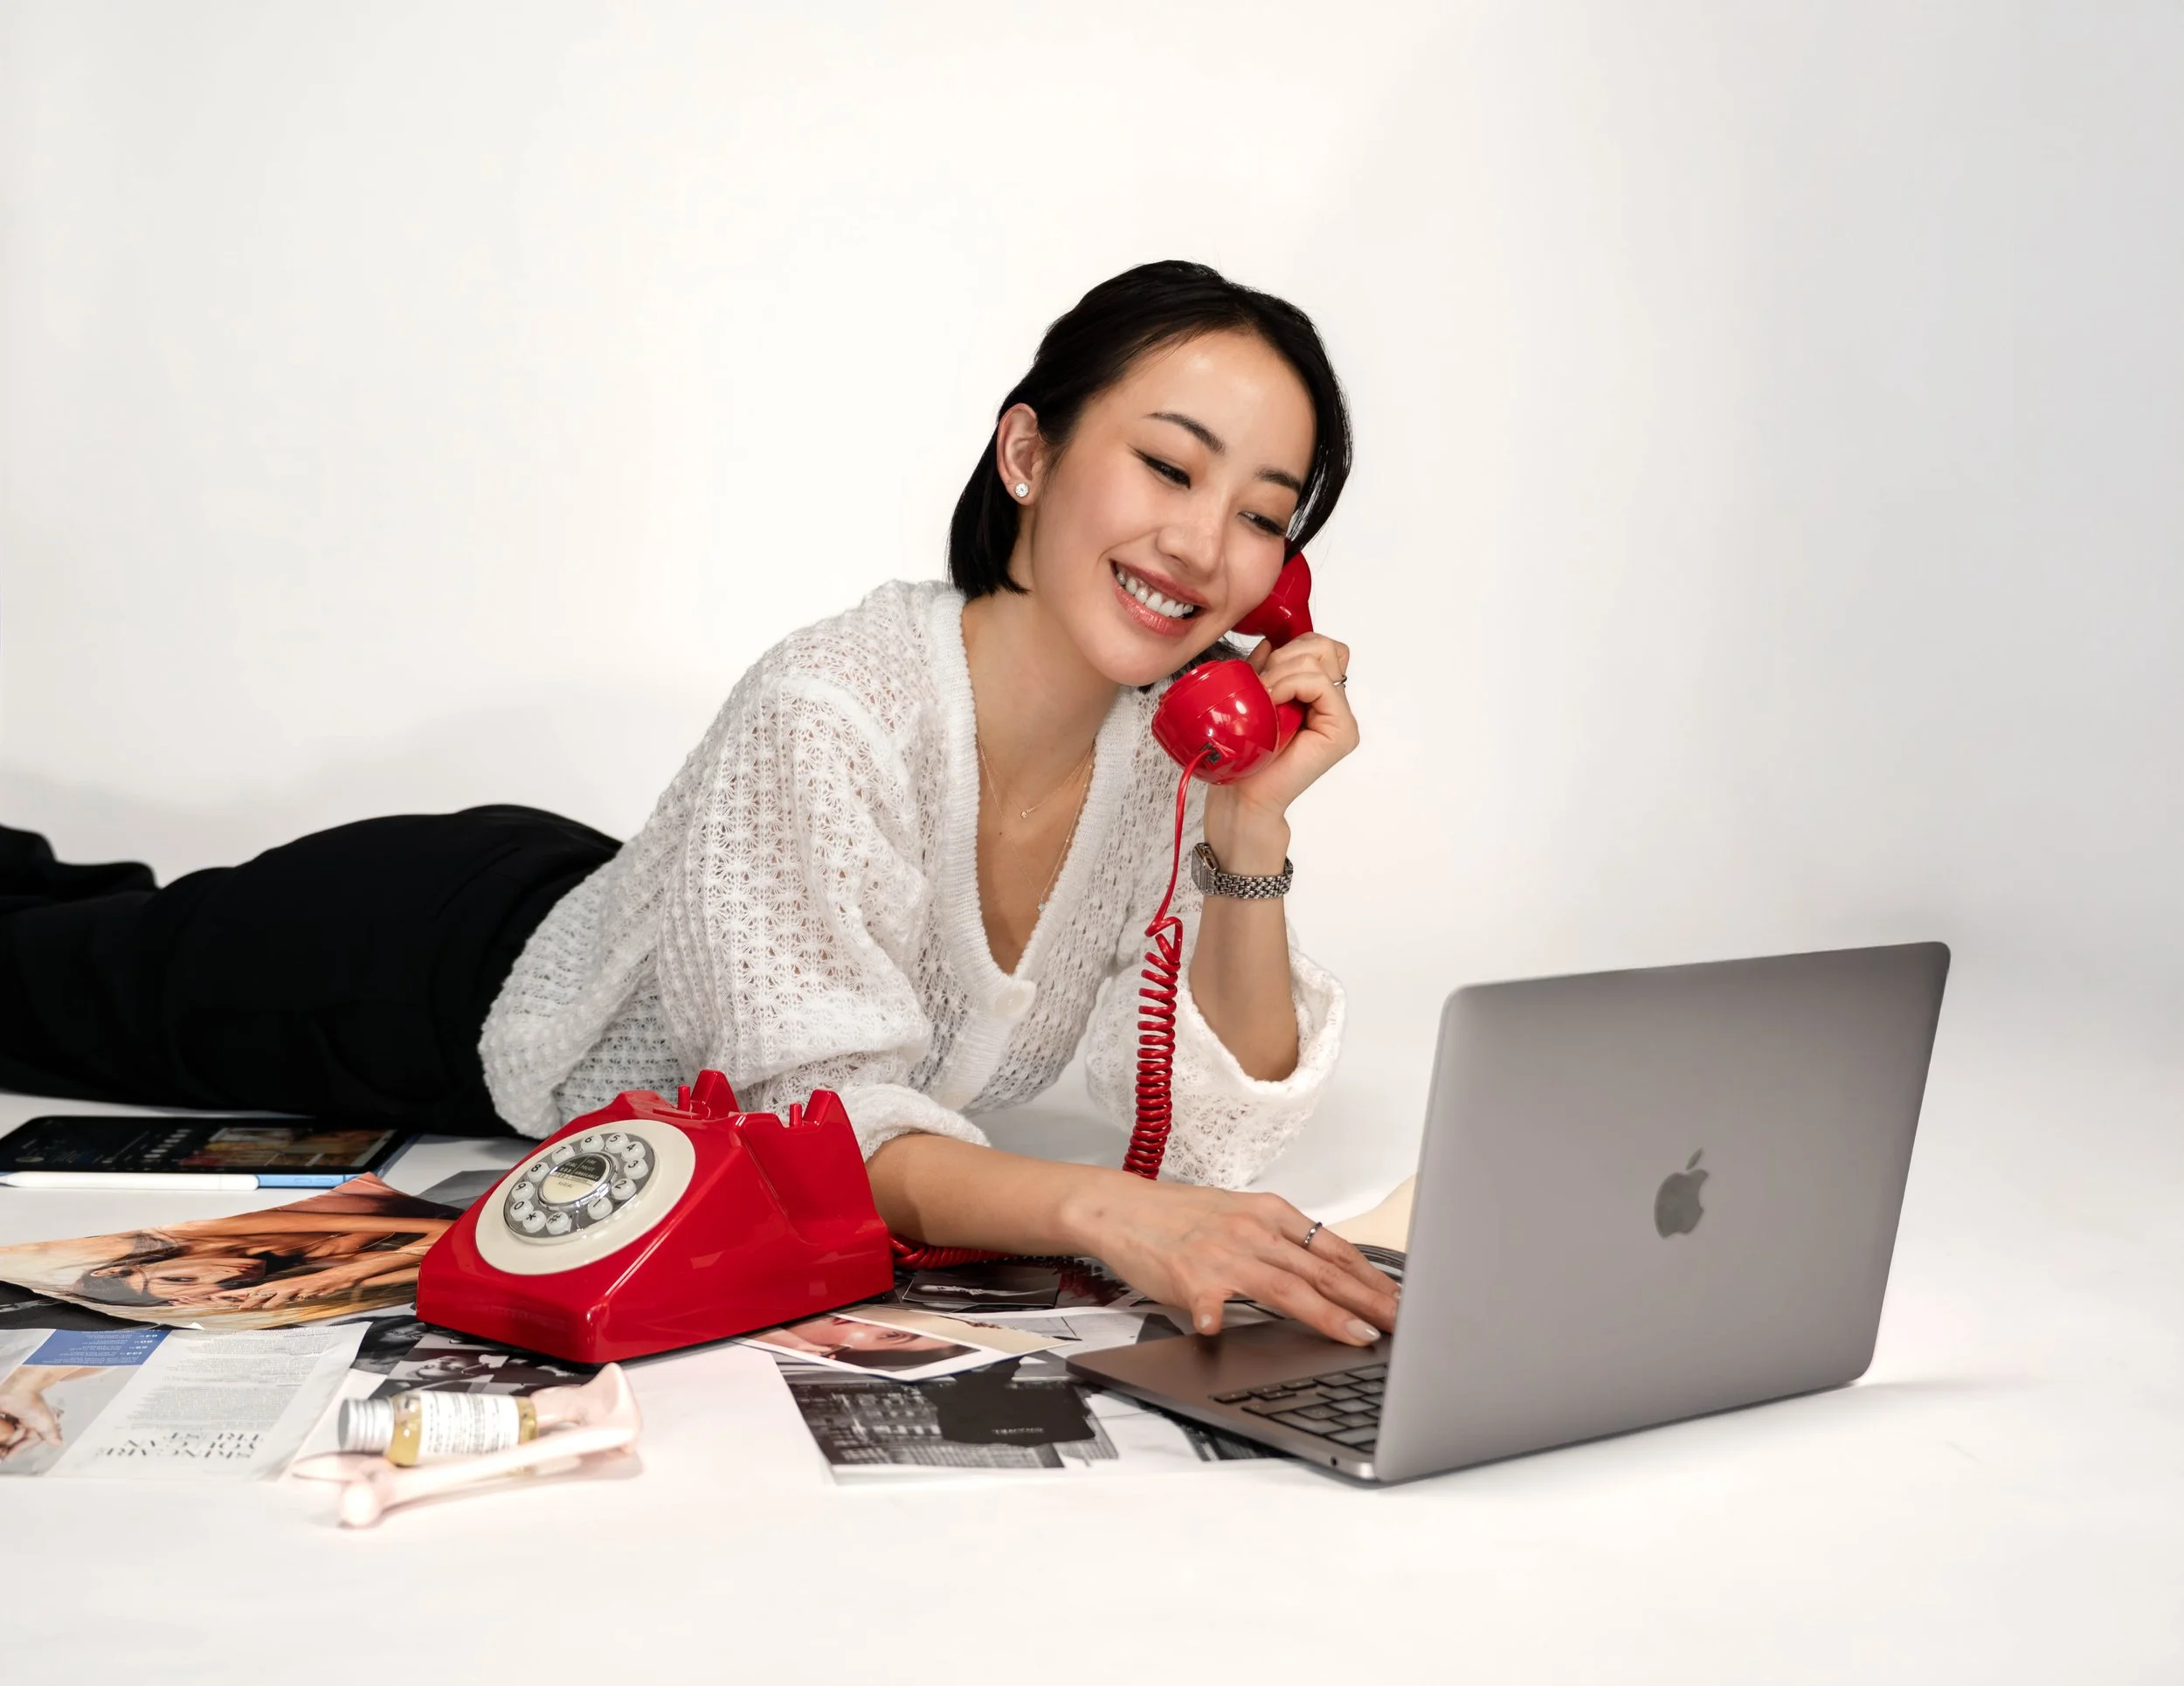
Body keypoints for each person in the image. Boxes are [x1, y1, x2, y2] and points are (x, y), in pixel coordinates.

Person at [0, 260, 1398, 1349]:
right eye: (1168, 465)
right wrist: (1108, 1212)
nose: (1204, 547)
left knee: (95, 920)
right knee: (47, 976)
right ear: (1027, 455)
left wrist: (1249, 831)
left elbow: (1224, 1132)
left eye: (1265, 513)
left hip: (658, 914)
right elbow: (824, 1124)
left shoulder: (1176, 758)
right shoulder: (833, 705)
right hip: (431, 971)